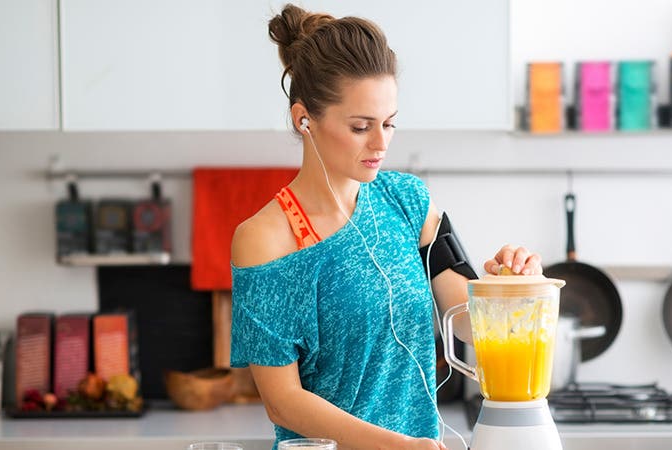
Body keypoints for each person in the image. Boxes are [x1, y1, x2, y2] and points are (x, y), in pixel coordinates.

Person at [230, 4, 543, 450]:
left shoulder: (408, 202)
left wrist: (511, 286)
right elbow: (283, 402)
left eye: (389, 123)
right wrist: (395, 446)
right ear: (305, 119)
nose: (381, 143)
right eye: (361, 127)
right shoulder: (265, 239)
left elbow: (470, 326)